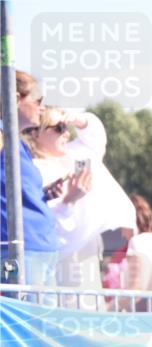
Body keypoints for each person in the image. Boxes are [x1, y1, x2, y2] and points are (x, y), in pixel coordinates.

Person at [28, 107, 135, 309]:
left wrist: (77, 119)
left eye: (67, 127)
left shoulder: (78, 153)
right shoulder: (33, 168)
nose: (67, 132)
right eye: (59, 127)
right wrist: (69, 200)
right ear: (35, 133)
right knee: (64, 311)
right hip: (59, 252)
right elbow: (41, 217)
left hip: (88, 247)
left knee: (90, 306)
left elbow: (96, 135)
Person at [1, 71, 89, 289]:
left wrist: (45, 194)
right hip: (20, 250)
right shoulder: (3, 138)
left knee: (42, 322)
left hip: (42, 248)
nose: (42, 108)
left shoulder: (18, 144)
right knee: (28, 322)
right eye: (38, 101)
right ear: (15, 98)